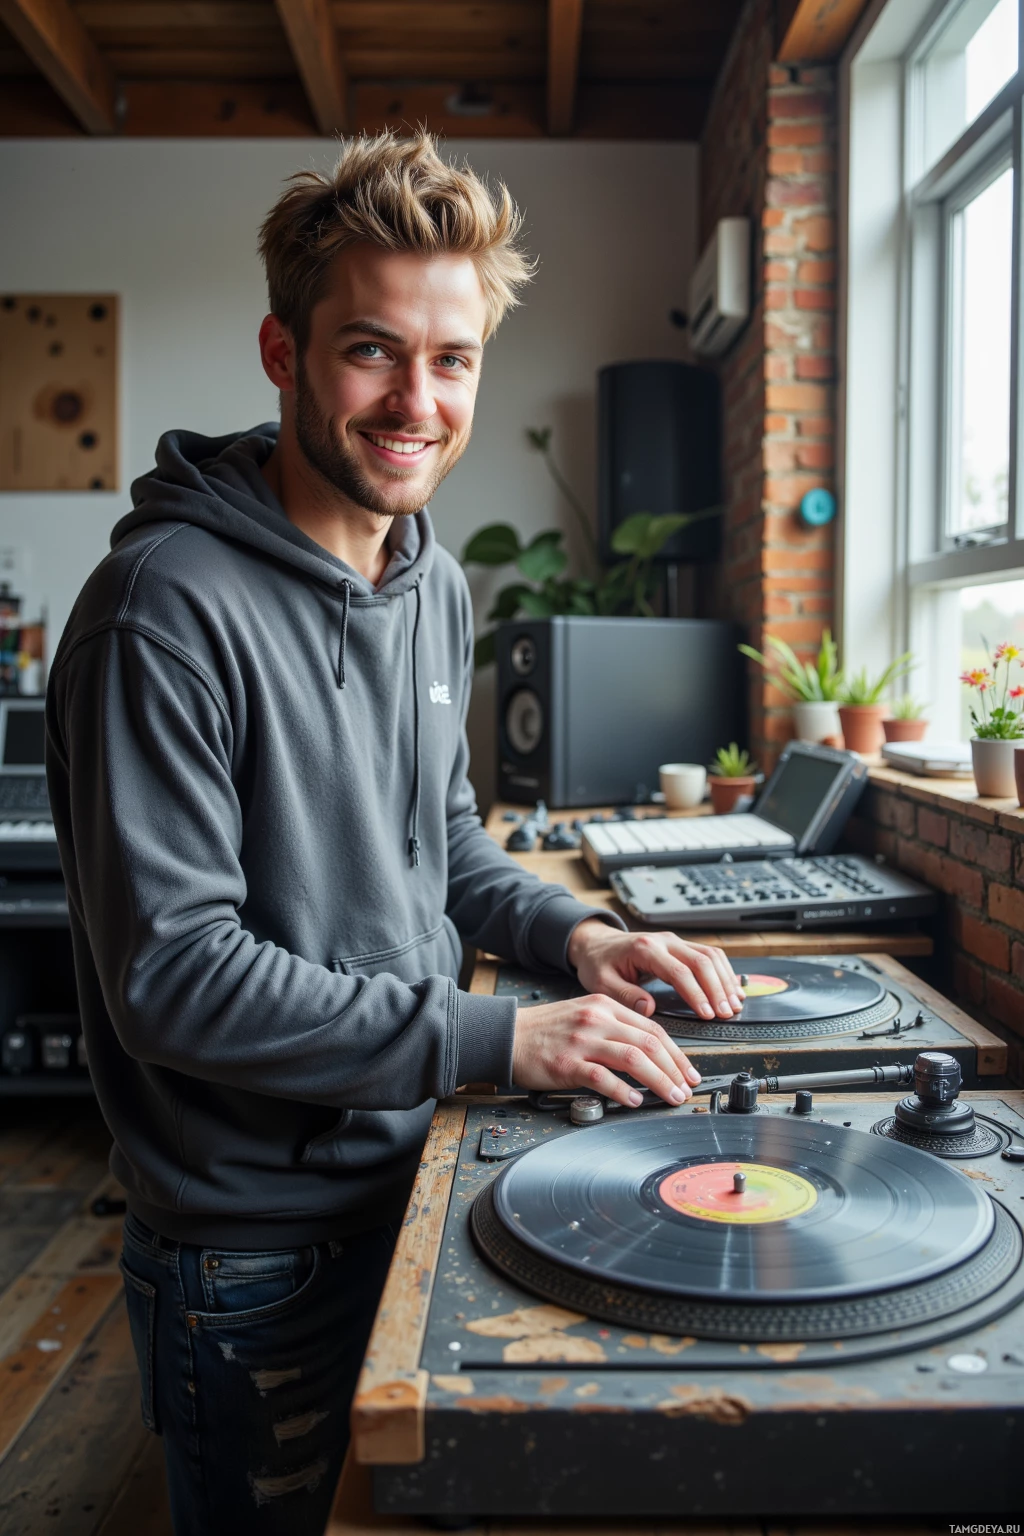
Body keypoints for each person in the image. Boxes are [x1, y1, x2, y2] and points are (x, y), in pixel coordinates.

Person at [45, 131, 744, 1536]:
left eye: (454, 358)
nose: (416, 401)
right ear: (282, 350)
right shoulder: (160, 615)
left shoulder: (427, 581)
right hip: (254, 1252)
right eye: (372, 351)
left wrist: (582, 938)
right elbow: (175, 977)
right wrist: (504, 1038)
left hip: (416, 1166)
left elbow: (444, 835)